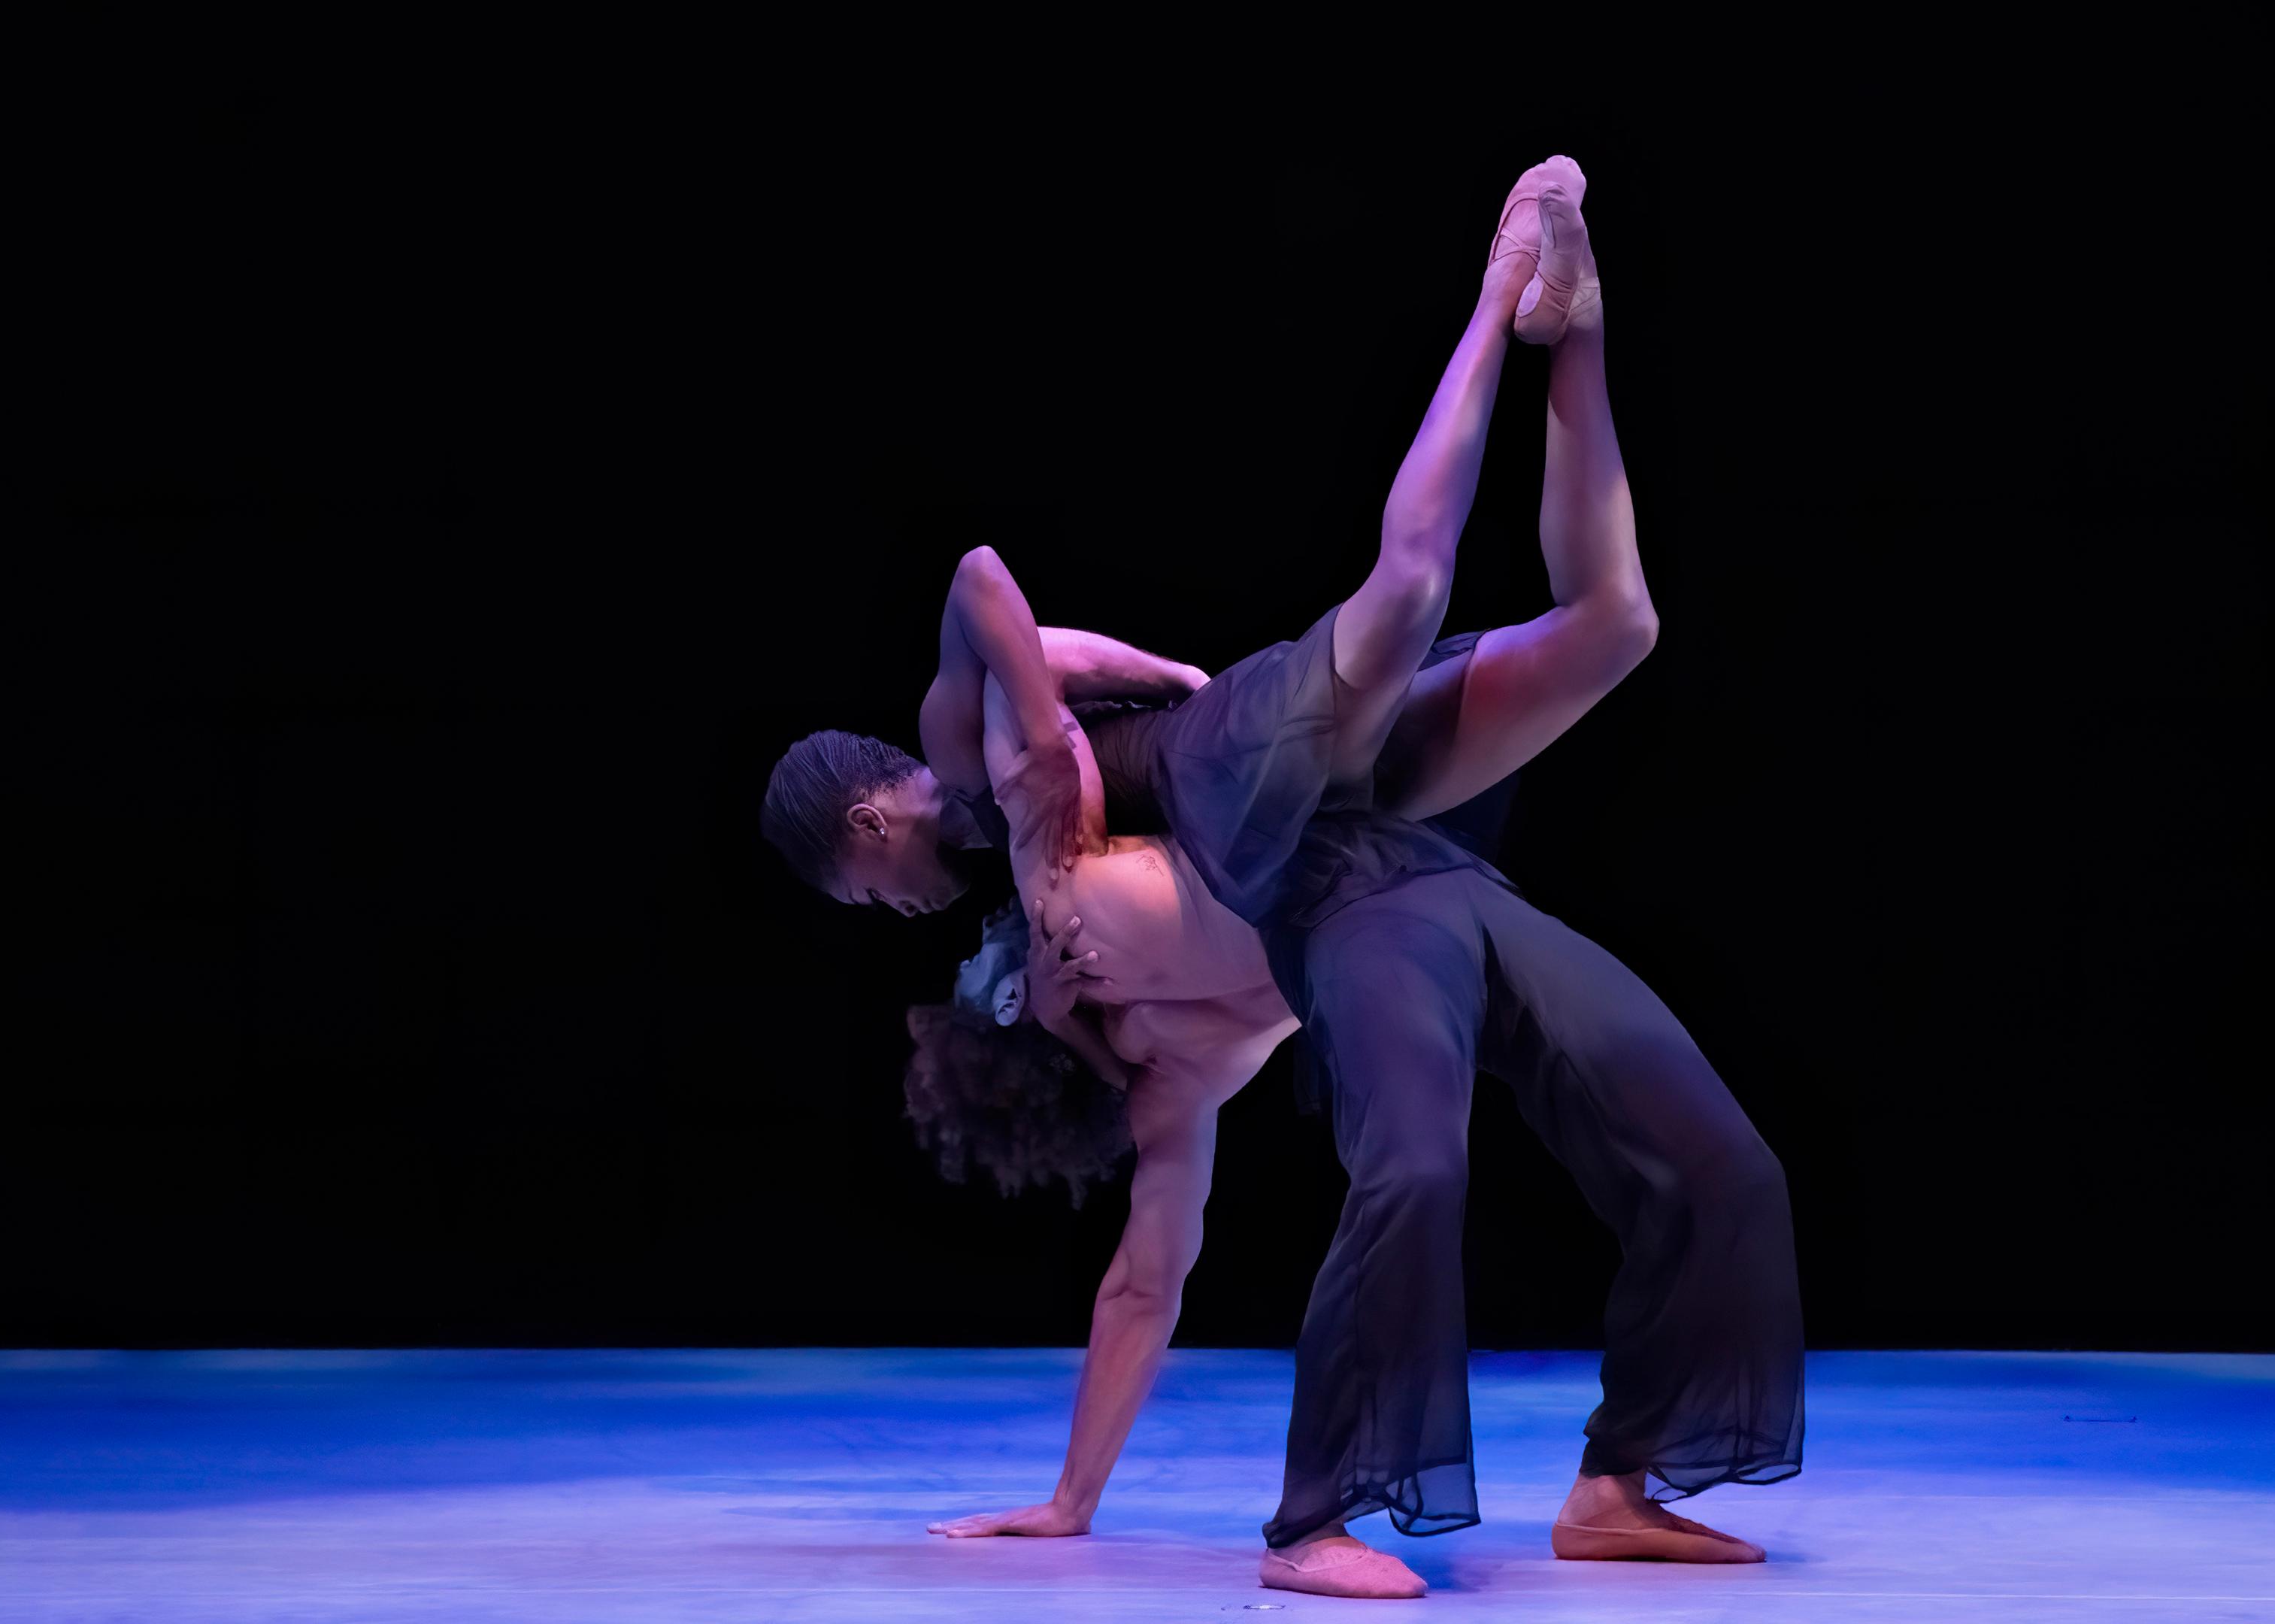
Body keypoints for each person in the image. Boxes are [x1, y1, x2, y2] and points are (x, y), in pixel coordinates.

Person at [763, 158, 1801, 1601]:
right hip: (1340, 837)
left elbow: (991, 588)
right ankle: (1571, 325)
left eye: (871, 898)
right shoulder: (1118, 987)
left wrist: (1092, 705)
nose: (907, 924)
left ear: (870, 827)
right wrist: (1068, 1501)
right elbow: (1145, 1282)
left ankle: (1514, 295)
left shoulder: (1010, 808)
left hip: (1231, 762)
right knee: (1607, 622)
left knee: (1418, 595)